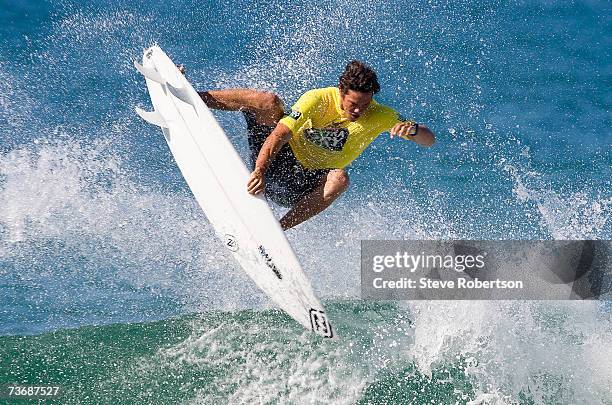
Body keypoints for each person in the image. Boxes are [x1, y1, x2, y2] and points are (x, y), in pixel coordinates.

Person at [196, 61, 435, 230]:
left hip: (303, 185)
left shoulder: (382, 115)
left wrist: (413, 130)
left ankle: (278, 231)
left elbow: (429, 140)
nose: (359, 110)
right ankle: (194, 97)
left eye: (365, 104)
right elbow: (279, 134)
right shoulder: (318, 99)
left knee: (340, 179)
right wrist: (259, 170)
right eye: (353, 103)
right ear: (341, 91)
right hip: (275, 162)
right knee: (268, 102)